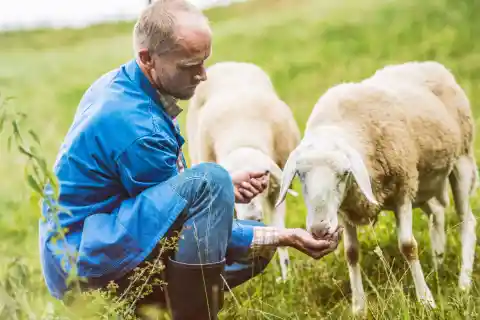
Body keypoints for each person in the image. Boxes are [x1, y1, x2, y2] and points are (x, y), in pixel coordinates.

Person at [39, 0, 343, 319]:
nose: (202, 75)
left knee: (213, 184)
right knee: (233, 218)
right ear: (147, 58)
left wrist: (223, 185)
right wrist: (283, 235)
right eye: (188, 66)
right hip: (90, 267)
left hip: (82, 248)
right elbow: (177, 220)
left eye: (204, 62)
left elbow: (162, 193)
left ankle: (163, 305)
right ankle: (189, 312)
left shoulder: (123, 84)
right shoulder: (137, 129)